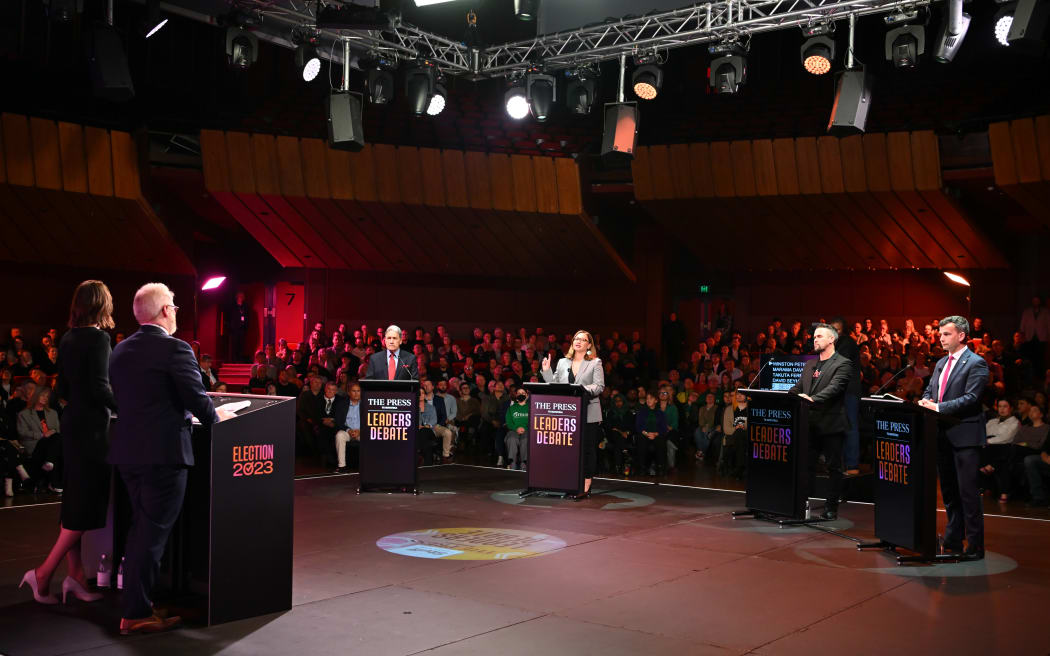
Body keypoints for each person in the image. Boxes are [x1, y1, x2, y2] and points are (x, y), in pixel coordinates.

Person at [108, 283, 234, 635]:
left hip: (129, 454)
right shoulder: (175, 349)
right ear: (164, 311)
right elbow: (198, 401)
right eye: (174, 306)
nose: (177, 311)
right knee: (150, 535)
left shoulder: (120, 350)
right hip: (163, 455)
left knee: (140, 531)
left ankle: (139, 603)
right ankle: (135, 613)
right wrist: (216, 417)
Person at [20, 281, 119, 606]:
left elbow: (62, 387)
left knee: (75, 500)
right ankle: (44, 573)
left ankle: (75, 575)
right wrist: (128, 408)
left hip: (72, 424)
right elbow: (102, 389)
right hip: (91, 429)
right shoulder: (99, 338)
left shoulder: (68, 338)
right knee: (87, 505)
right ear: (101, 305)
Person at [919, 315, 990, 560]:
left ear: (961, 336)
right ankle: (953, 537)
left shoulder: (976, 363)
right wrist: (926, 400)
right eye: (940, 334)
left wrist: (937, 408)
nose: (941, 338)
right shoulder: (940, 363)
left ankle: (975, 545)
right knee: (949, 492)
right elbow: (931, 389)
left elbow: (971, 398)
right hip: (942, 436)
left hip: (966, 436)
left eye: (946, 334)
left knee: (968, 493)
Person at [788, 323, 852, 520]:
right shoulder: (809, 365)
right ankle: (800, 504)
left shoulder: (843, 363)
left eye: (819, 336)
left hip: (831, 424)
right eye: (814, 337)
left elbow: (835, 387)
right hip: (809, 424)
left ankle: (831, 507)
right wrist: (785, 397)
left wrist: (813, 398)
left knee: (834, 468)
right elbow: (798, 388)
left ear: (831, 339)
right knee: (805, 466)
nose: (814, 340)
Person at [542, 330, 605, 498]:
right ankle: (568, 482)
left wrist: (581, 389)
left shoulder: (595, 362)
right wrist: (547, 371)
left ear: (589, 345)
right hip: (567, 413)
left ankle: (586, 485)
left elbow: (599, 386)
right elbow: (554, 385)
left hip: (588, 411)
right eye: (576, 338)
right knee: (568, 449)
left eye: (583, 339)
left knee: (587, 449)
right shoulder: (563, 362)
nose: (578, 341)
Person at [634, 390, 669, 477]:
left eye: (651, 398)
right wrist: (647, 434)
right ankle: (642, 468)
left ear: (656, 400)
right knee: (641, 439)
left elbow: (664, 428)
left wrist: (655, 434)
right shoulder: (642, 412)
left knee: (661, 440)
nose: (648, 400)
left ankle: (660, 467)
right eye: (647, 398)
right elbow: (638, 426)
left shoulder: (660, 413)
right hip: (645, 434)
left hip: (656, 435)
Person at [335, 383, 361, 473]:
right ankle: (342, 466)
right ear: (349, 392)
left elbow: (370, 421)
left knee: (371, 436)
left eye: (358, 391)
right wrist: (348, 430)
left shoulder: (366, 404)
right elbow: (338, 422)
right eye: (354, 391)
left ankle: (367, 465)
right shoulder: (342, 404)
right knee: (339, 435)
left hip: (361, 432)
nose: (356, 393)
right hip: (347, 431)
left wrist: (360, 431)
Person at [505, 388, 530, 470]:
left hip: (527, 430)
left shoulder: (531, 407)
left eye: (523, 393)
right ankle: (512, 462)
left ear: (527, 395)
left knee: (526, 439)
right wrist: (516, 428)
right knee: (511, 438)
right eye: (519, 393)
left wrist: (525, 428)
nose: (521, 394)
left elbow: (534, 421)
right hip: (513, 430)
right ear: (516, 395)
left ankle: (524, 463)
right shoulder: (511, 408)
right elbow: (508, 422)